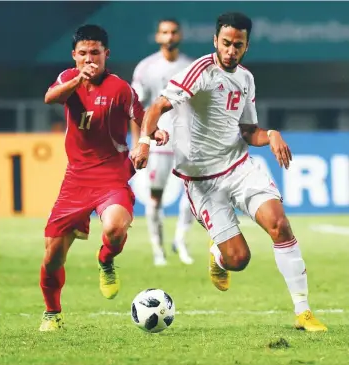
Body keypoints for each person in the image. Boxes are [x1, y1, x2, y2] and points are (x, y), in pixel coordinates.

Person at [131, 12, 327, 331]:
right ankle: (219, 257)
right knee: (239, 259)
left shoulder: (246, 79)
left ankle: (303, 311)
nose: (231, 50)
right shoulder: (198, 72)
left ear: (246, 46)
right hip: (202, 183)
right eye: (226, 43)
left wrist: (272, 134)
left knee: (279, 225)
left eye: (238, 45)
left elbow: (249, 131)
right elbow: (155, 108)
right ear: (215, 42)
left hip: (239, 167)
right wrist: (144, 142)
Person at [40, 24, 168, 331]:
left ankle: (106, 261)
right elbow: (50, 98)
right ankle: (52, 313)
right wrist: (76, 83)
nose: (89, 59)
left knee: (113, 227)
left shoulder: (120, 88)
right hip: (75, 180)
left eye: (95, 53)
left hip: (112, 176)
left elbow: (142, 116)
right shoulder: (68, 80)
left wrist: (151, 137)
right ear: (74, 55)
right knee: (52, 257)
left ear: (106, 54)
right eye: (82, 54)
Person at [131, 19, 194, 266]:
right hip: (157, 142)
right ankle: (158, 250)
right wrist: (138, 142)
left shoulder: (190, 67)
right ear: (158, 37)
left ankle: (180, 240)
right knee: (155, 196)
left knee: (193, 194)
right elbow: (135, 108)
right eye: (165, 33)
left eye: (173, 32)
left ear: (180, 35)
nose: (169, 37)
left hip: (187, 141)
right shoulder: (146, 68)